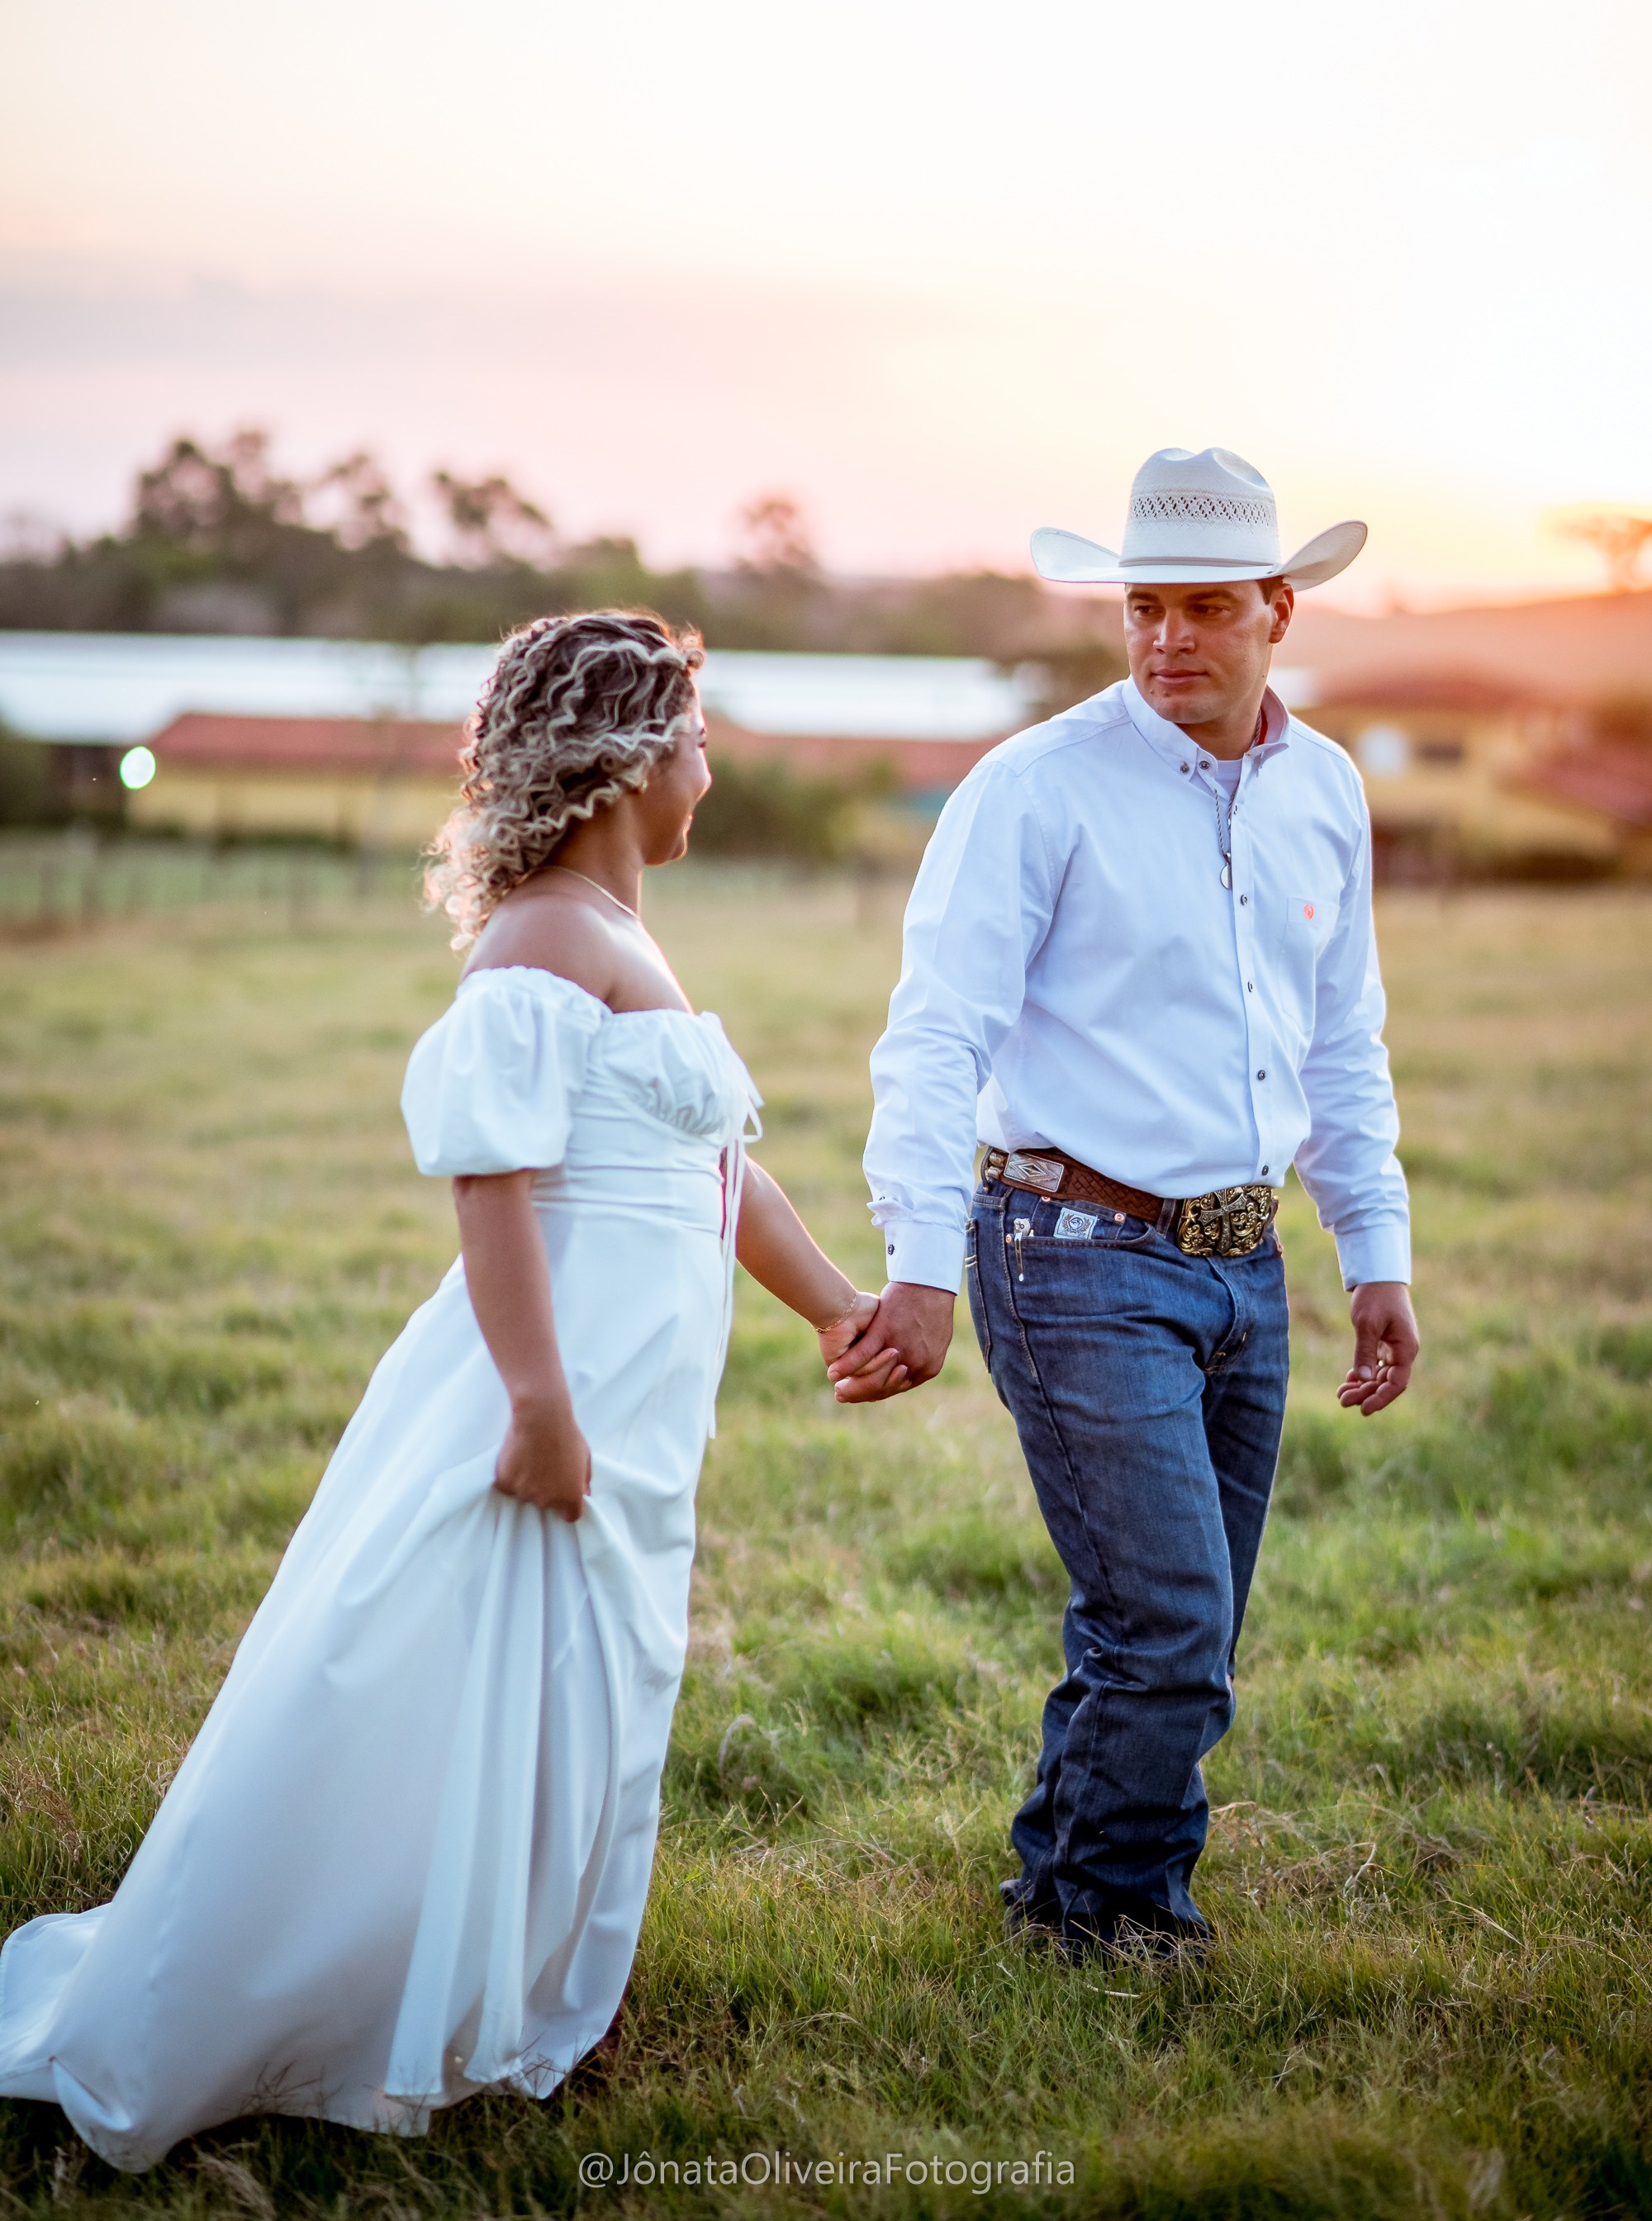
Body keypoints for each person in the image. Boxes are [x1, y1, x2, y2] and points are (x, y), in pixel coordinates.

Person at [0, 610, 904, 2171]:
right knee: (486, 1675)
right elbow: (493, 1186)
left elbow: (715, 1169)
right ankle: (406, 1998)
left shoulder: (623, 934)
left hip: (635, 1392)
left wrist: (839, 1304)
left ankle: (532, 1986)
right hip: (546, 1389)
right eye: (694, 739)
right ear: (627, 761)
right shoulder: (544, 938)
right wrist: (538, 1405)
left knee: (600, 1679)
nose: (710, 768)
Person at [830, 447, 1419, 1962]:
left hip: (1245, 1263)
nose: (1168, 639)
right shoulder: (1037, 788)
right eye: (1145, 607)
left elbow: (1341, 1038)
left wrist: (1377, 1251)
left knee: (1189, 1629)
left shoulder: (1328, 793)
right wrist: (916, 1267)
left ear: (1280, 609)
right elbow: (936, 1034)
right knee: (1166, 1625)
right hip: (1070, 1251)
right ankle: (1108, 1918)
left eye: (1205, 609)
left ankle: (1069, 1880)